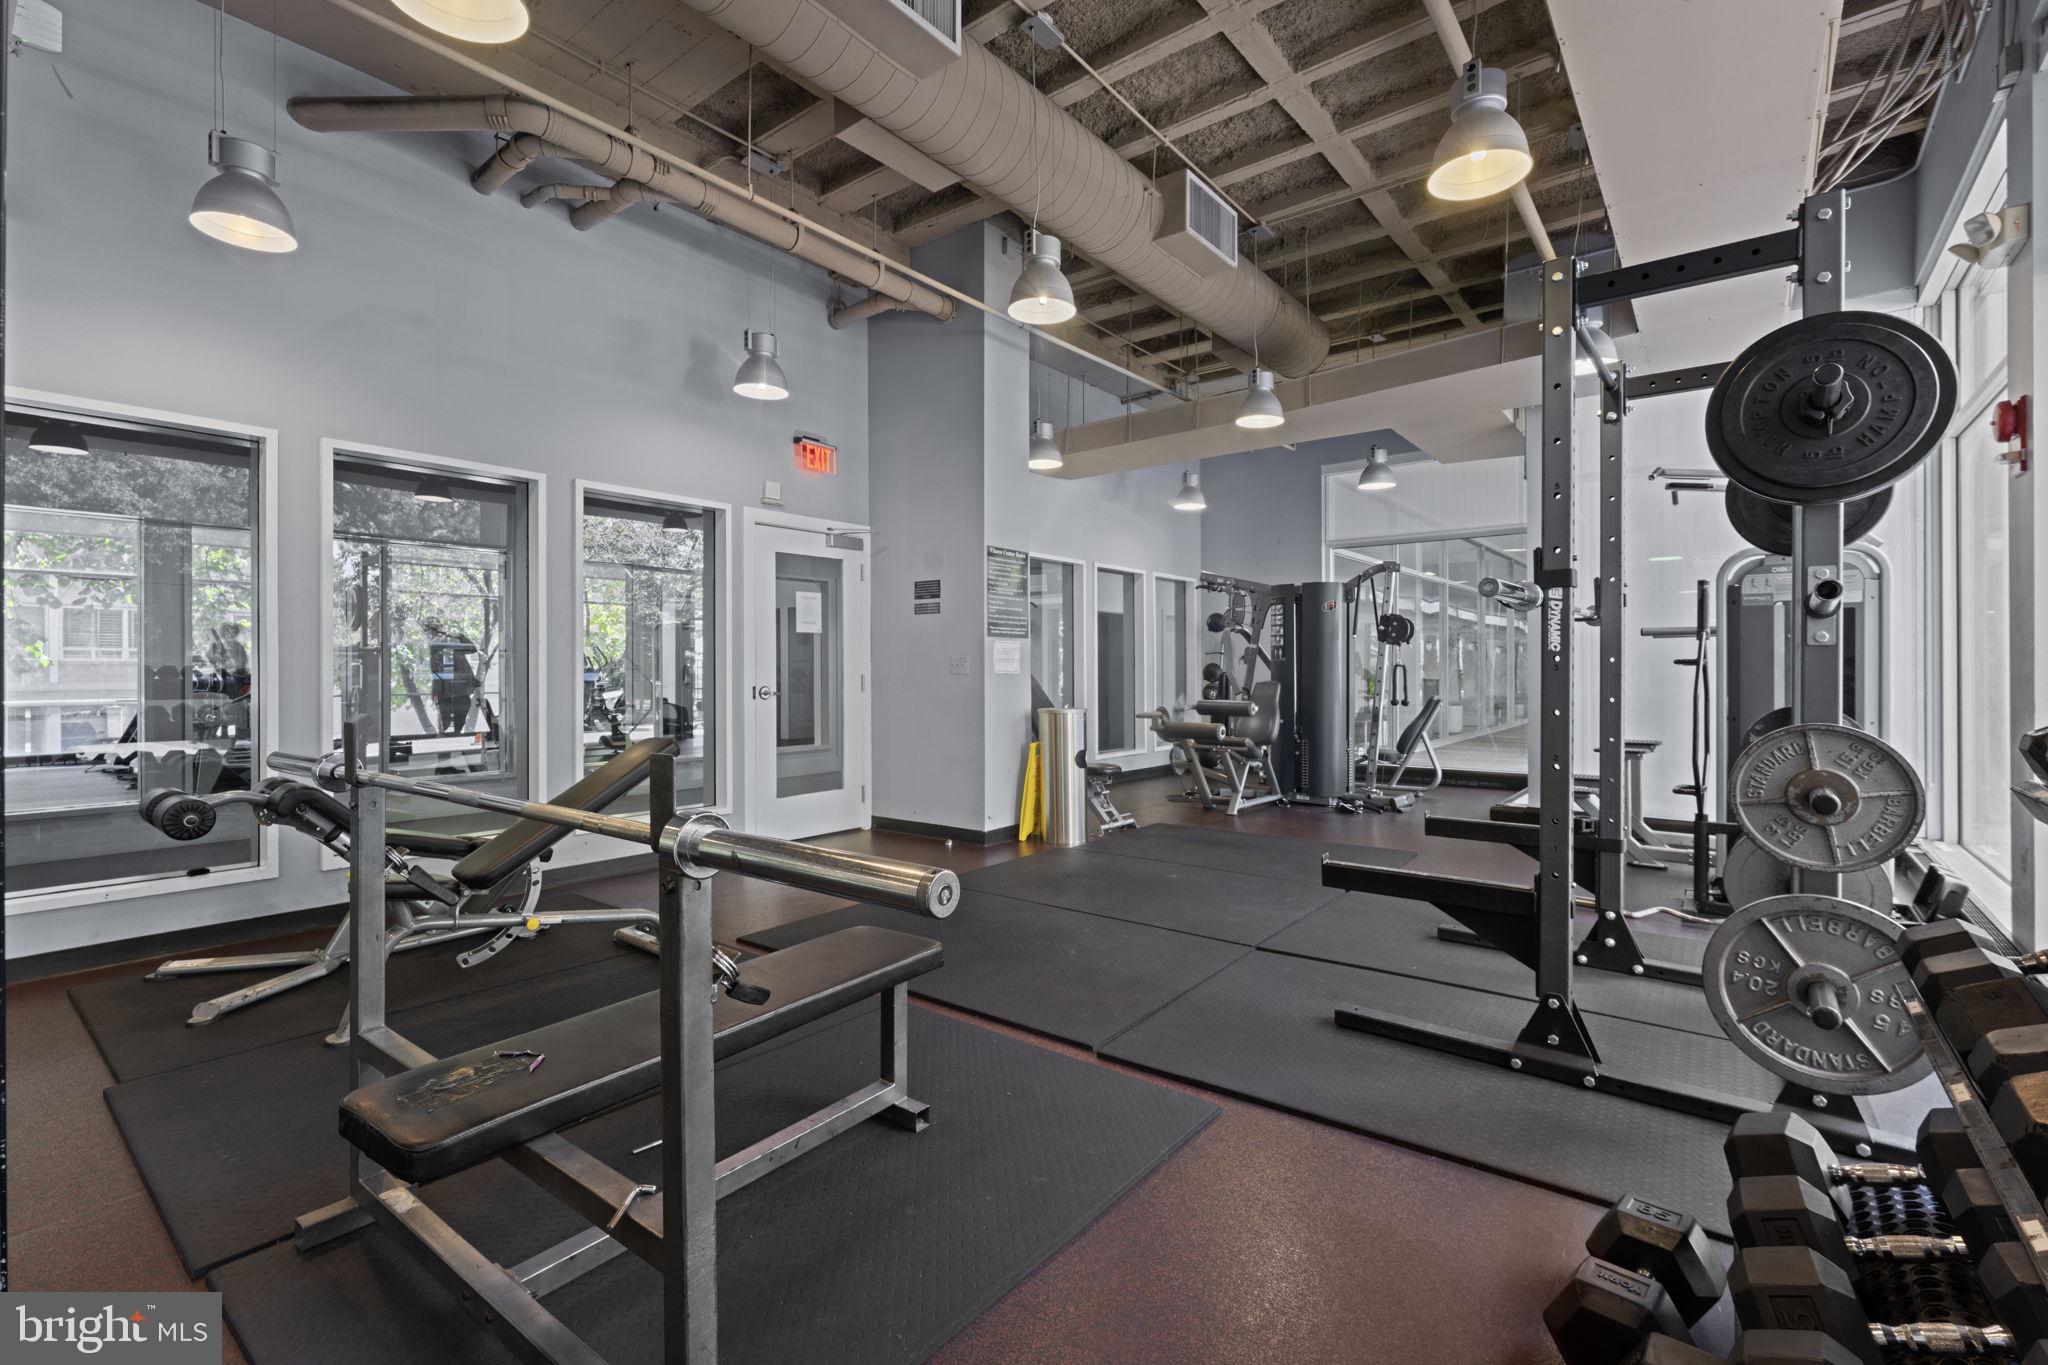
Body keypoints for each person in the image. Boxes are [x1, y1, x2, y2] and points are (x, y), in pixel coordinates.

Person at [425, 620, 481, 735]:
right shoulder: (436, 647)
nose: (441, 632)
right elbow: (440, 673)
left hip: (460, 693)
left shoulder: (452, 643)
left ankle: (453, 747)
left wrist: (460, 636)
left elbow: (472, 649)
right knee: (446, 728)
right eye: (436, 630)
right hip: (448, 694)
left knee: (458, 726)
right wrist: (437, 693)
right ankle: (446, 749)